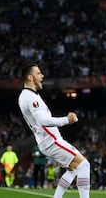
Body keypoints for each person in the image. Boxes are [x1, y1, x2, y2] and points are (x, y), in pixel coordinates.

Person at [18, 63, 90, 198]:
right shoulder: (31, 97)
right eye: (38, 73)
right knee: (84, 165)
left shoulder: (26, 96)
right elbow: (43, 121)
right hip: (51, 141)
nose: (42, 76)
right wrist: (66, 120)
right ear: (30, 77)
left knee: (73, 169)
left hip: (47, 141)